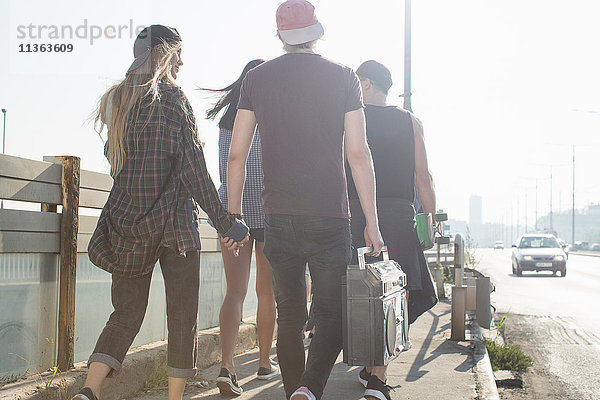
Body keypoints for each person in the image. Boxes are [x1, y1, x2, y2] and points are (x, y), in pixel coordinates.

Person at [72, 25, 249, 400]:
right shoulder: (171, 99)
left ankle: (89, 391)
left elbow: (116, 163)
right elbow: (193, 170)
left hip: (127, 223)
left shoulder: (117, 100)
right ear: (165, 54)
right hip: (175, 229)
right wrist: (226, 222)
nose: (182, 62)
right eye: (178, 54)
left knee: (125, 314)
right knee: (182, 319)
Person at [226, 1, 384, 399]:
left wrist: (233, 213)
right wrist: (373, 221)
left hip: (278, 216)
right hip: (331, 215)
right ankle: (309, 389)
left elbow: (236, 155)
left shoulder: (257, 79)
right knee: (330, 312)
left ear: (280, 36)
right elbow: (358, 153)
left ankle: (296, 388)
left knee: (290, 314)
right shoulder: (345, 77)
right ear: (316, 33)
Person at [347, 60, 438, 400]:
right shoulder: (410, 122)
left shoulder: (351, 118)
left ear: (366, 84)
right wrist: (429, 222)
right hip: (400, 216)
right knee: (398, 292)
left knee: (362, 291)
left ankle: (373, 369)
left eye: (358, 81)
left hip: (357, 212)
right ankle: (376, 374)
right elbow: (423, 179)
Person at [203, 59, 279, 396]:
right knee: (267, 292)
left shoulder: (227, 120)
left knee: (235, 291)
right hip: (269, 211)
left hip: (232, 213)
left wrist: (231, 213)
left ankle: (227, 366)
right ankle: (264, 363)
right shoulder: (274, 116)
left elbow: (228, 164)